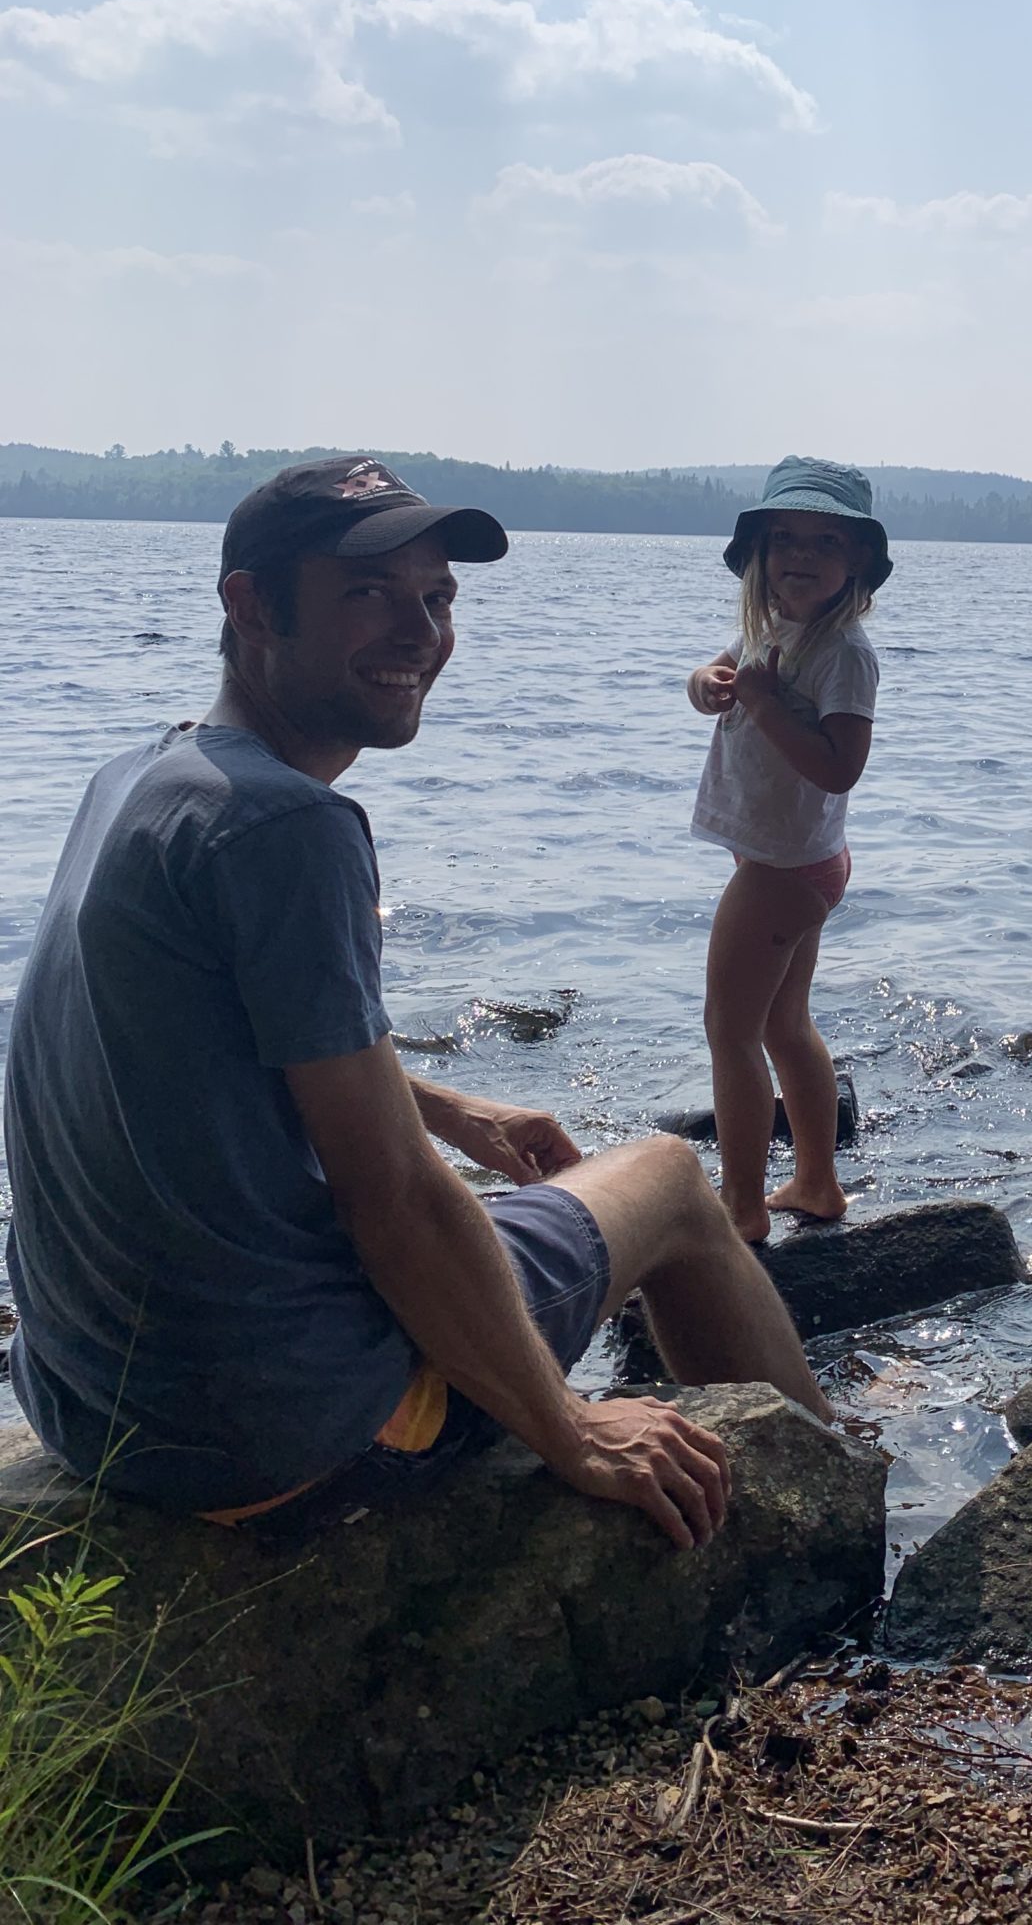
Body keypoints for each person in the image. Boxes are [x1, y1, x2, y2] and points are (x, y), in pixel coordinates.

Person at [3, 456, 827, 1545]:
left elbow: (220, 1037)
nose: (420, 631)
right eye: (368, 593)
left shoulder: (143, 778)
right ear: (251, 606)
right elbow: (392, 1199)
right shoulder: (288, 826)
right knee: (671, 1181)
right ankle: (828, 1499)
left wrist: (449, 1109)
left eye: (437, 597)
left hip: (88, 1402)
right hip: (274, 1427)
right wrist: (572, 1430)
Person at [687, 458, 887, 1245]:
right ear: (760, 554)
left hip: (786, 869)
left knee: (729, 1030)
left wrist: (766, 705)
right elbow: (724, 674)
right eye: (785, 540)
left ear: (857, 560)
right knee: (783, 1026)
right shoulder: (771, 627)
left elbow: (840, 767)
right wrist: (705, 682)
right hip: (789, 857)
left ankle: (740, 1206)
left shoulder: (843, 654)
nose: (800, 555)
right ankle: (816, 1181)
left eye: (824, 541)